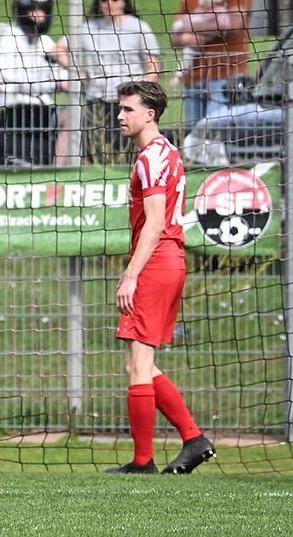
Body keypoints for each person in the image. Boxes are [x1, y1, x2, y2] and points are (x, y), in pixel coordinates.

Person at [105, 81, 214, 474]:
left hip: (155, 262)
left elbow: (154, 223)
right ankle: (193, 439)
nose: (120, 116)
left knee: (138, 366)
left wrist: (130, 275)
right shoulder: (168, 150)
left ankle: (142, 461)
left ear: (149, 114)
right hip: (170, 261)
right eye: (120, 109)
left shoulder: (150, 158)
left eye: (128, 109)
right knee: (140, 364)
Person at [54, 0, 160, 164]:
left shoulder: (138, 27)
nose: (109, 3)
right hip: (96, 102)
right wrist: (78, 71)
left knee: (128, 154)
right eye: (104, 0)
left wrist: (139, 91)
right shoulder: (88, 28)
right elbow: (58, 49)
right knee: (92, 154)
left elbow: (154, 67)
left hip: (128, 104)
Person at [0, 0, 67, 166]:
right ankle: (57, 170)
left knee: (77, 116)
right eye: (34, 10)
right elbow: (7, 84)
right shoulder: (9, 41)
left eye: (43, 10)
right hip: (14, 114)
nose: (39, 15)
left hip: (41, 114)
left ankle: (59, 169)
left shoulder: (44, 41)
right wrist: (54, 84)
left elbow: (63, 77)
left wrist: (72, 72)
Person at [169, 0, 251, 130]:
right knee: (193, 133)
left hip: (226, 78)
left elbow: (230, 25)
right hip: (192, 79)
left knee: (216, 131)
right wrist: (187, 38)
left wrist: (189, 25)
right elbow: (174, 37)